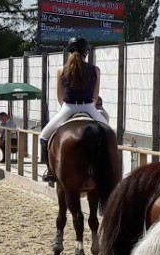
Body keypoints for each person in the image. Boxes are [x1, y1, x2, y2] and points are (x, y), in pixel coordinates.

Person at [38, 37, 111, 182]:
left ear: (68, 52)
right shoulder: (95, 70)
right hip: (89, 106)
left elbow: (60, 96)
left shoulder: (61, 70)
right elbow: (95, 96)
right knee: (110, 135)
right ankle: (110, 170)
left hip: (68, 107)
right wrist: (87, 105)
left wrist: (68, 108)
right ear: (86, 53)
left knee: (44, 136)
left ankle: (50, 171)